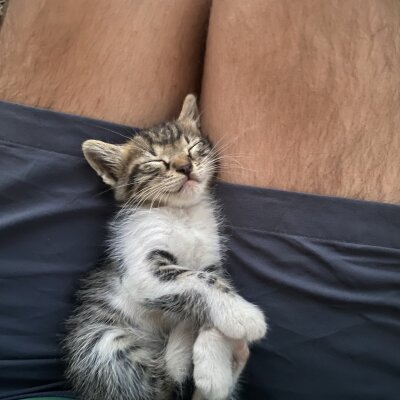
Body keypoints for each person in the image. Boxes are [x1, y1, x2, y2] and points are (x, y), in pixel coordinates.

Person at [0, 1, 399, 399]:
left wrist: (212, 324)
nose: (182, 165)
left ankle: (183, 380)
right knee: (111, 347)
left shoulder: (200, 211)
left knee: (197, 306)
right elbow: (150, 284)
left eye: (191, 151)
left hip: (41, 371)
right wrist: (220, 302)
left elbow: (201, 282)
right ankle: (182, 382)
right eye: (155, 164)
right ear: (114, 175)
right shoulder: (143, 218)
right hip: (126, 333)